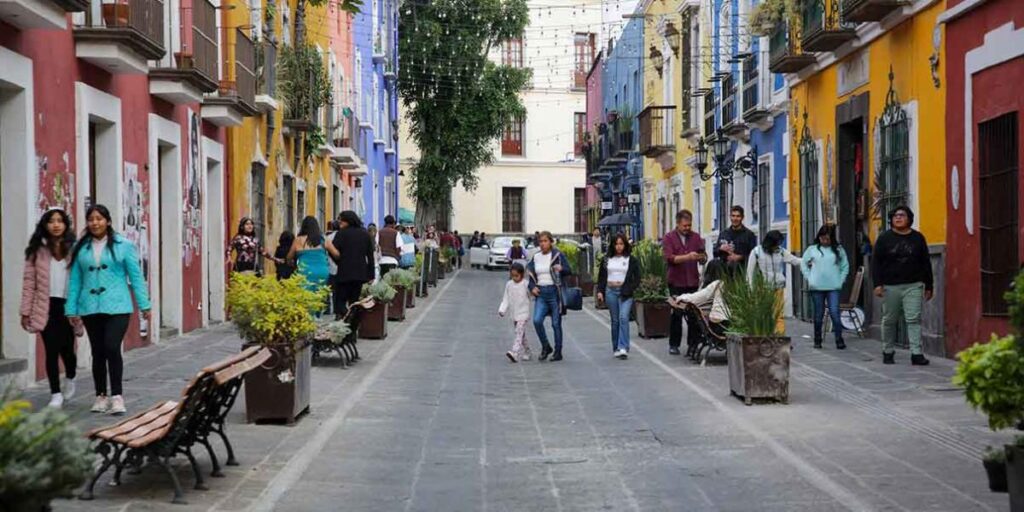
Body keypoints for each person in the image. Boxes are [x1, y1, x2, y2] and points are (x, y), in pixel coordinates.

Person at [66, 205, 151, 415]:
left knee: (112, 347)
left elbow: (136, 276)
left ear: (108, 221)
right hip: (90, 306)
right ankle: (100, 395)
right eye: (91, 219)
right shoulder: (81, 248)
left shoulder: (124, 245)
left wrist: (144, 304)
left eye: (99, 218)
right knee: (98, 351)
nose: (95, 222)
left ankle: (117, 396)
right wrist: (71, 309)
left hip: (118, 306)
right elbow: (75, 280)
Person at [21, 208, 81, 409]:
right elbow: (29, 282)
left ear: (65, 224)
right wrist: (25, 311)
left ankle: (70, 377)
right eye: (51, 221)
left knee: (68, 352)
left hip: (68, 306)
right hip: (45, 306)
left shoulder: (74, 249)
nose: (56, 225)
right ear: (45, 225)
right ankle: (55, 393)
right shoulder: (36, 250)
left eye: (60, 221)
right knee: (51, 350)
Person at [873, 206, 933, 366]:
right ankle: (888, 351)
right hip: (890, 286)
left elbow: (925, 262)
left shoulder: (918, 238)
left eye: (902, 215)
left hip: (913, 284)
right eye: (895, 216)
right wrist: (877, 284)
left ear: (909, 218)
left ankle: (916, 353)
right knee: (889, 320)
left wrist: (929, 286)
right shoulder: (884, 238)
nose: (898, 218)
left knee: (913, 319)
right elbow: (876, 263)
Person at [662, 209, 707, 356]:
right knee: (677, 313)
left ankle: (693, 343)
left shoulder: (696, 237)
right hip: (676, 281)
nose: (687, 228)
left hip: (692, 280)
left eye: (689, 225)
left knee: (694, 314)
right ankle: (674, 344)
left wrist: (701, 257)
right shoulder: (669, 238)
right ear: (678, 223)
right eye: (685, 225)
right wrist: (688, 257)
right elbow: (670, 258)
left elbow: (703, 255)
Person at [801, 224, 850, 350]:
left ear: (832, 238)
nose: (824, 241)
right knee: (818, 314)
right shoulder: (812, 249)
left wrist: (841, 280)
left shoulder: (838, 249)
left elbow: (845, 266)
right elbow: (803, 264)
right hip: (816, 286)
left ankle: (839, 339)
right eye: (822, 238)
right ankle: (818, 340)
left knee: (834, 313)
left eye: (827, 239)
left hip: (834, 286)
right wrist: (809, 278)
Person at [527, 231, 573, 362]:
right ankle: (546, 346)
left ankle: (558, 351)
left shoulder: (557, 255)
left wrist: (561, 269)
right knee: (537, 320)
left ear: (551, 242)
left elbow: (569, 270)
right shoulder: (536, 257)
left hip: (554, 292)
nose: (543, 244)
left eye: (545, 241)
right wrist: (532, 287)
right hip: (541, 292)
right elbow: (530, 274)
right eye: (540, 242)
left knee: (555, 323)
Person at [747, 230, 801, 335]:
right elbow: (749, 272)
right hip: (762, 288)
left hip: (778, 287)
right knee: (764, 314)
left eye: (779, 243)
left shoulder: (781, 251)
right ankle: (764, 337)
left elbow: (794, 260)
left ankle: (780, 338)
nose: (778, 245)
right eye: (777, 243)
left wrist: (809, 260)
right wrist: (750, 289)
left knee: (778, 314)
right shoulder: (756, 252)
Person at [596, 233, 640, 359]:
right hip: (611, 291)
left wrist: (630, 288)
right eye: (616, 244)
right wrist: (600, 291)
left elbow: (637, 278)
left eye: (621, 244)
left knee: (623, 318)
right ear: (613, 245)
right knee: (615, 321)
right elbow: (602, 277)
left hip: (625, 292)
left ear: (625, 245)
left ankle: (623, 347)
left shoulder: (631, 260)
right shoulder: (606, 259)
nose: (619, 247)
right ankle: (616, 346)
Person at [331, 211, 375, 322]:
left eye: (341, 219)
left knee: (340, 301)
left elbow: (334, 253)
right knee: (354, 302)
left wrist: (339, 262)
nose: (339, 221)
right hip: (360, 274)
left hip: (344, 273)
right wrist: (371, 274)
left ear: (348, 220)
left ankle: (346, 316)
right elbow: (370, 256)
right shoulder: (365, 234)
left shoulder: (341, 234)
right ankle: (352, 332)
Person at [670, 259, 730, 338]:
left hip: (717, 325)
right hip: (725, 324)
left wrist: (679, 297)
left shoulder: (716, 285)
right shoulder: (726, 285)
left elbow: (695, 297)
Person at [289, 216, 338, 294]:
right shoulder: (323, 239)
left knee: (305, 298)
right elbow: (336, 255)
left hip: (304, 272)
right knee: (321, 297)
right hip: (322, 272)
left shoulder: (298, 240)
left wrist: (292, 263)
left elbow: (289, 257)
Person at [498, 262, 533, 363]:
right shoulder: (509, 284)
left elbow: (531, 295)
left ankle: (515, 352)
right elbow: (506, 298)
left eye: (516, 276)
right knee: (521, 335)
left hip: (523, 313)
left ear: (522, 274)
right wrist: (502, 309)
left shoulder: (526, 284)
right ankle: (528, 351)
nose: (514, 278)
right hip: (514, 314)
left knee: (518, 332)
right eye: (512, 276)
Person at [715, 206, 758, 275]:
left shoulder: (749, 235)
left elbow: (754, 255)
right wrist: (720, 248)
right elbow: (715, 252)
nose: (735, 219)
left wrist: (740, 257)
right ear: (730, 217)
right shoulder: (724, 233)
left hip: (741, 271)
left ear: (742, 217)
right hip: (724, 271)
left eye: (738, 216)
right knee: (712, 264)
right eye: (733, 216)